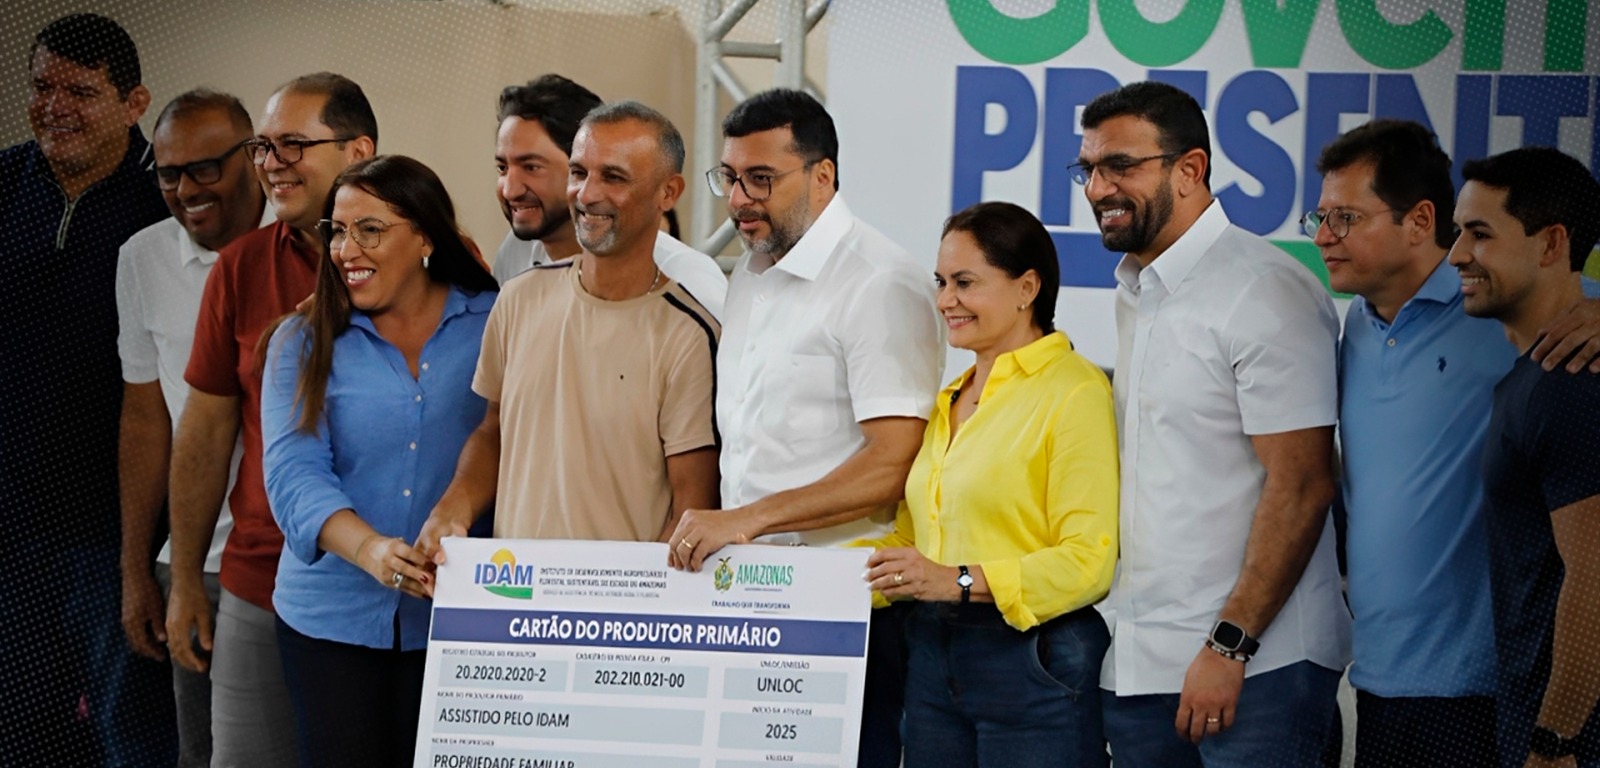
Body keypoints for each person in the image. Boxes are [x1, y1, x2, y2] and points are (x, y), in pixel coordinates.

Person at [665, 87, 943, 768]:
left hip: (850, 607)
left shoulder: (880, 281)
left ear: (823, 175)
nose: (739, 200)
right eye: (730, 177)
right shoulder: (751, 270)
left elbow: (894, 460)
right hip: (750, 598)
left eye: (761, 179)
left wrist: (747, 520)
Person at [1079, 81, 1348, 767]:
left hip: (1257, 669)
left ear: (1190, 169)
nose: (1098, 188)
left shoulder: (1264, 289)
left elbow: (1303, 485)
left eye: (1120, 166)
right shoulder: (1136, 290)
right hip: (1142, 668)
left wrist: (1231, 644)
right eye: (1089, 170)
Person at [859, 201, 1118, 767]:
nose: (944, 300)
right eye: (941, 282)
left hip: (1032, 662)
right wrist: (792, 575)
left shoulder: (1075, 390)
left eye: (965, 282)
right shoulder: (950, 397)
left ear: (1027, 288)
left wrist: (956, 579)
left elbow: (1087, 561)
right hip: (932, 657)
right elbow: (910, 544)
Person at [167, 72, 376, 767]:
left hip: (393, 589)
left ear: (358, 151)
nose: (270, 163)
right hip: (261, 582)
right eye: (262, 146)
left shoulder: (436, 260)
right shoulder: (240, 267)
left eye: (293, 144)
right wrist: (186, 579)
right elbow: (204, 434)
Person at [263, 155, 497, 767]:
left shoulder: (496, 321)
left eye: (370, 229)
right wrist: (369, 550)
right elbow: (293, 474)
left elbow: (509, 441)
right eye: (337, 231)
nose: (347, 250)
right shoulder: (300, 340)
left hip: (459, 619)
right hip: (328, 625)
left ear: (424, 236)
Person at [418, 101, 719, 560]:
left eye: (613, 177)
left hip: (619, 601)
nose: (586, 193)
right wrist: (452, 508)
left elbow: (692, 507)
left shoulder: (690, 334)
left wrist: (636, 595)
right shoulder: (517, 299)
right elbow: (493, 431)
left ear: (668, 192)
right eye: (579, 173)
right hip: (512, 591)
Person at [0, 12, 171, 764]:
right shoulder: (6, 184)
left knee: (131, 739)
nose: (55, 107)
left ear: (134, 103)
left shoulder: (167, 203)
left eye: (81, 92)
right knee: (22, 735)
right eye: (42, 87)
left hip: (120, 539)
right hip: (14, 529)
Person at [116, 88, 269, 768]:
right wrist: (142, 572)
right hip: (198, 565)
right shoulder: (141, 258)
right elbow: (145, 419)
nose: (185, 190)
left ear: (254, 157)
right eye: (169, 173)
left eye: (205, 168)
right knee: (202, 755)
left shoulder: (314, 242)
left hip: (301, 560)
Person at [1449, 147, 1600, 768]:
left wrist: (1554, 740)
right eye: (1459, 232)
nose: (1457, 254)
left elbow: (1595, 578)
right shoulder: (1538, 377)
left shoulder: (1571, 382)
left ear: (1551, 244)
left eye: (1480, 234)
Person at [491, 74, 727, 318]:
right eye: (502, 168)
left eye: (531, 167)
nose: (510, 190)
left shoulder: (687, 278)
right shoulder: (516, 252)